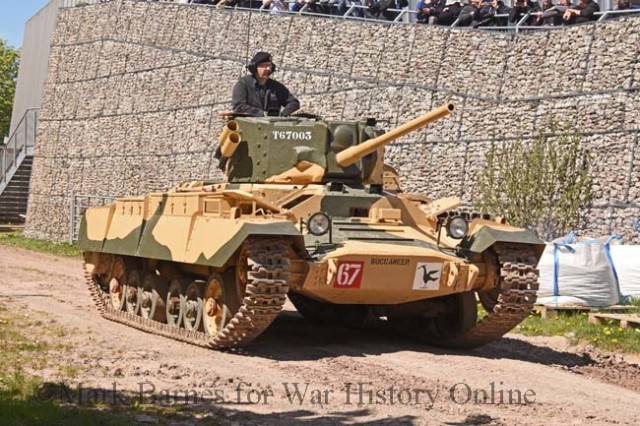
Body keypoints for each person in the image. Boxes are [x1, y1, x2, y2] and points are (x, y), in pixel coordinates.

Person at [231, 51, 300, 117]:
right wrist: (260, 113)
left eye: (269, 66)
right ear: (254, 67)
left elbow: (293, 103)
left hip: (271, 125)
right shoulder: (243, 84)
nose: (268, 69)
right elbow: (238, 105)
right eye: (264, 66)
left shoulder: (276, 87)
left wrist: (282, 114)